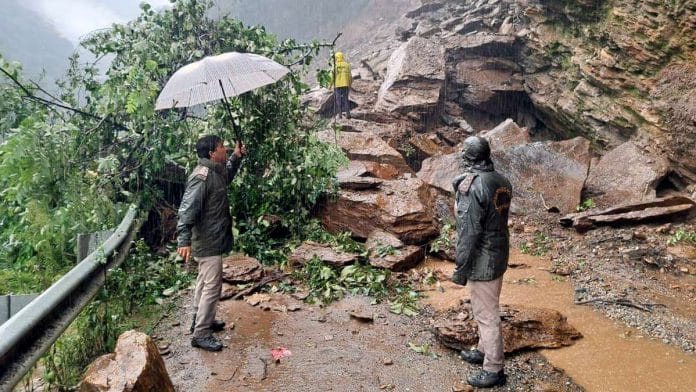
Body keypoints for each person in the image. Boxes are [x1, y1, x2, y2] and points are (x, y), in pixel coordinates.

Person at [451, 136, 512, 388]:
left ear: (469, 157)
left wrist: (460, 266)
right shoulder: (502, 180)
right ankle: (482, 349)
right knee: (487, 306)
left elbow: (469, 232)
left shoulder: (473, 185)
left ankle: (494, 368)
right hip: (499, 251)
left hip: (482, 258)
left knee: (486, 314)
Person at [177, 135, 246, 352]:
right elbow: (187, 209)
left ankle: (200, 319)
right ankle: (201, 333)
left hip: (213, 237)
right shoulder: (202, 177)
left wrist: (236, 157)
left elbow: (227, 174)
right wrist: (184, 239)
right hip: (207, 241)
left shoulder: (216, 171)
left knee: (204, 282)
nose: (225, 149)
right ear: (211, 153)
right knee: (212, 287)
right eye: (222, 147)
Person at [333, 51, 352, 119]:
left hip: (337, 85)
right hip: (345, 84)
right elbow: (350, 75)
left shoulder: (335, 66)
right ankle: (348, 114)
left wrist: (330, 85)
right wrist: (350, 84)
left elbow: (332, 76)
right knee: (345, 99)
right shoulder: (347, 65)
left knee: (338, 100)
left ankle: (340, 115)